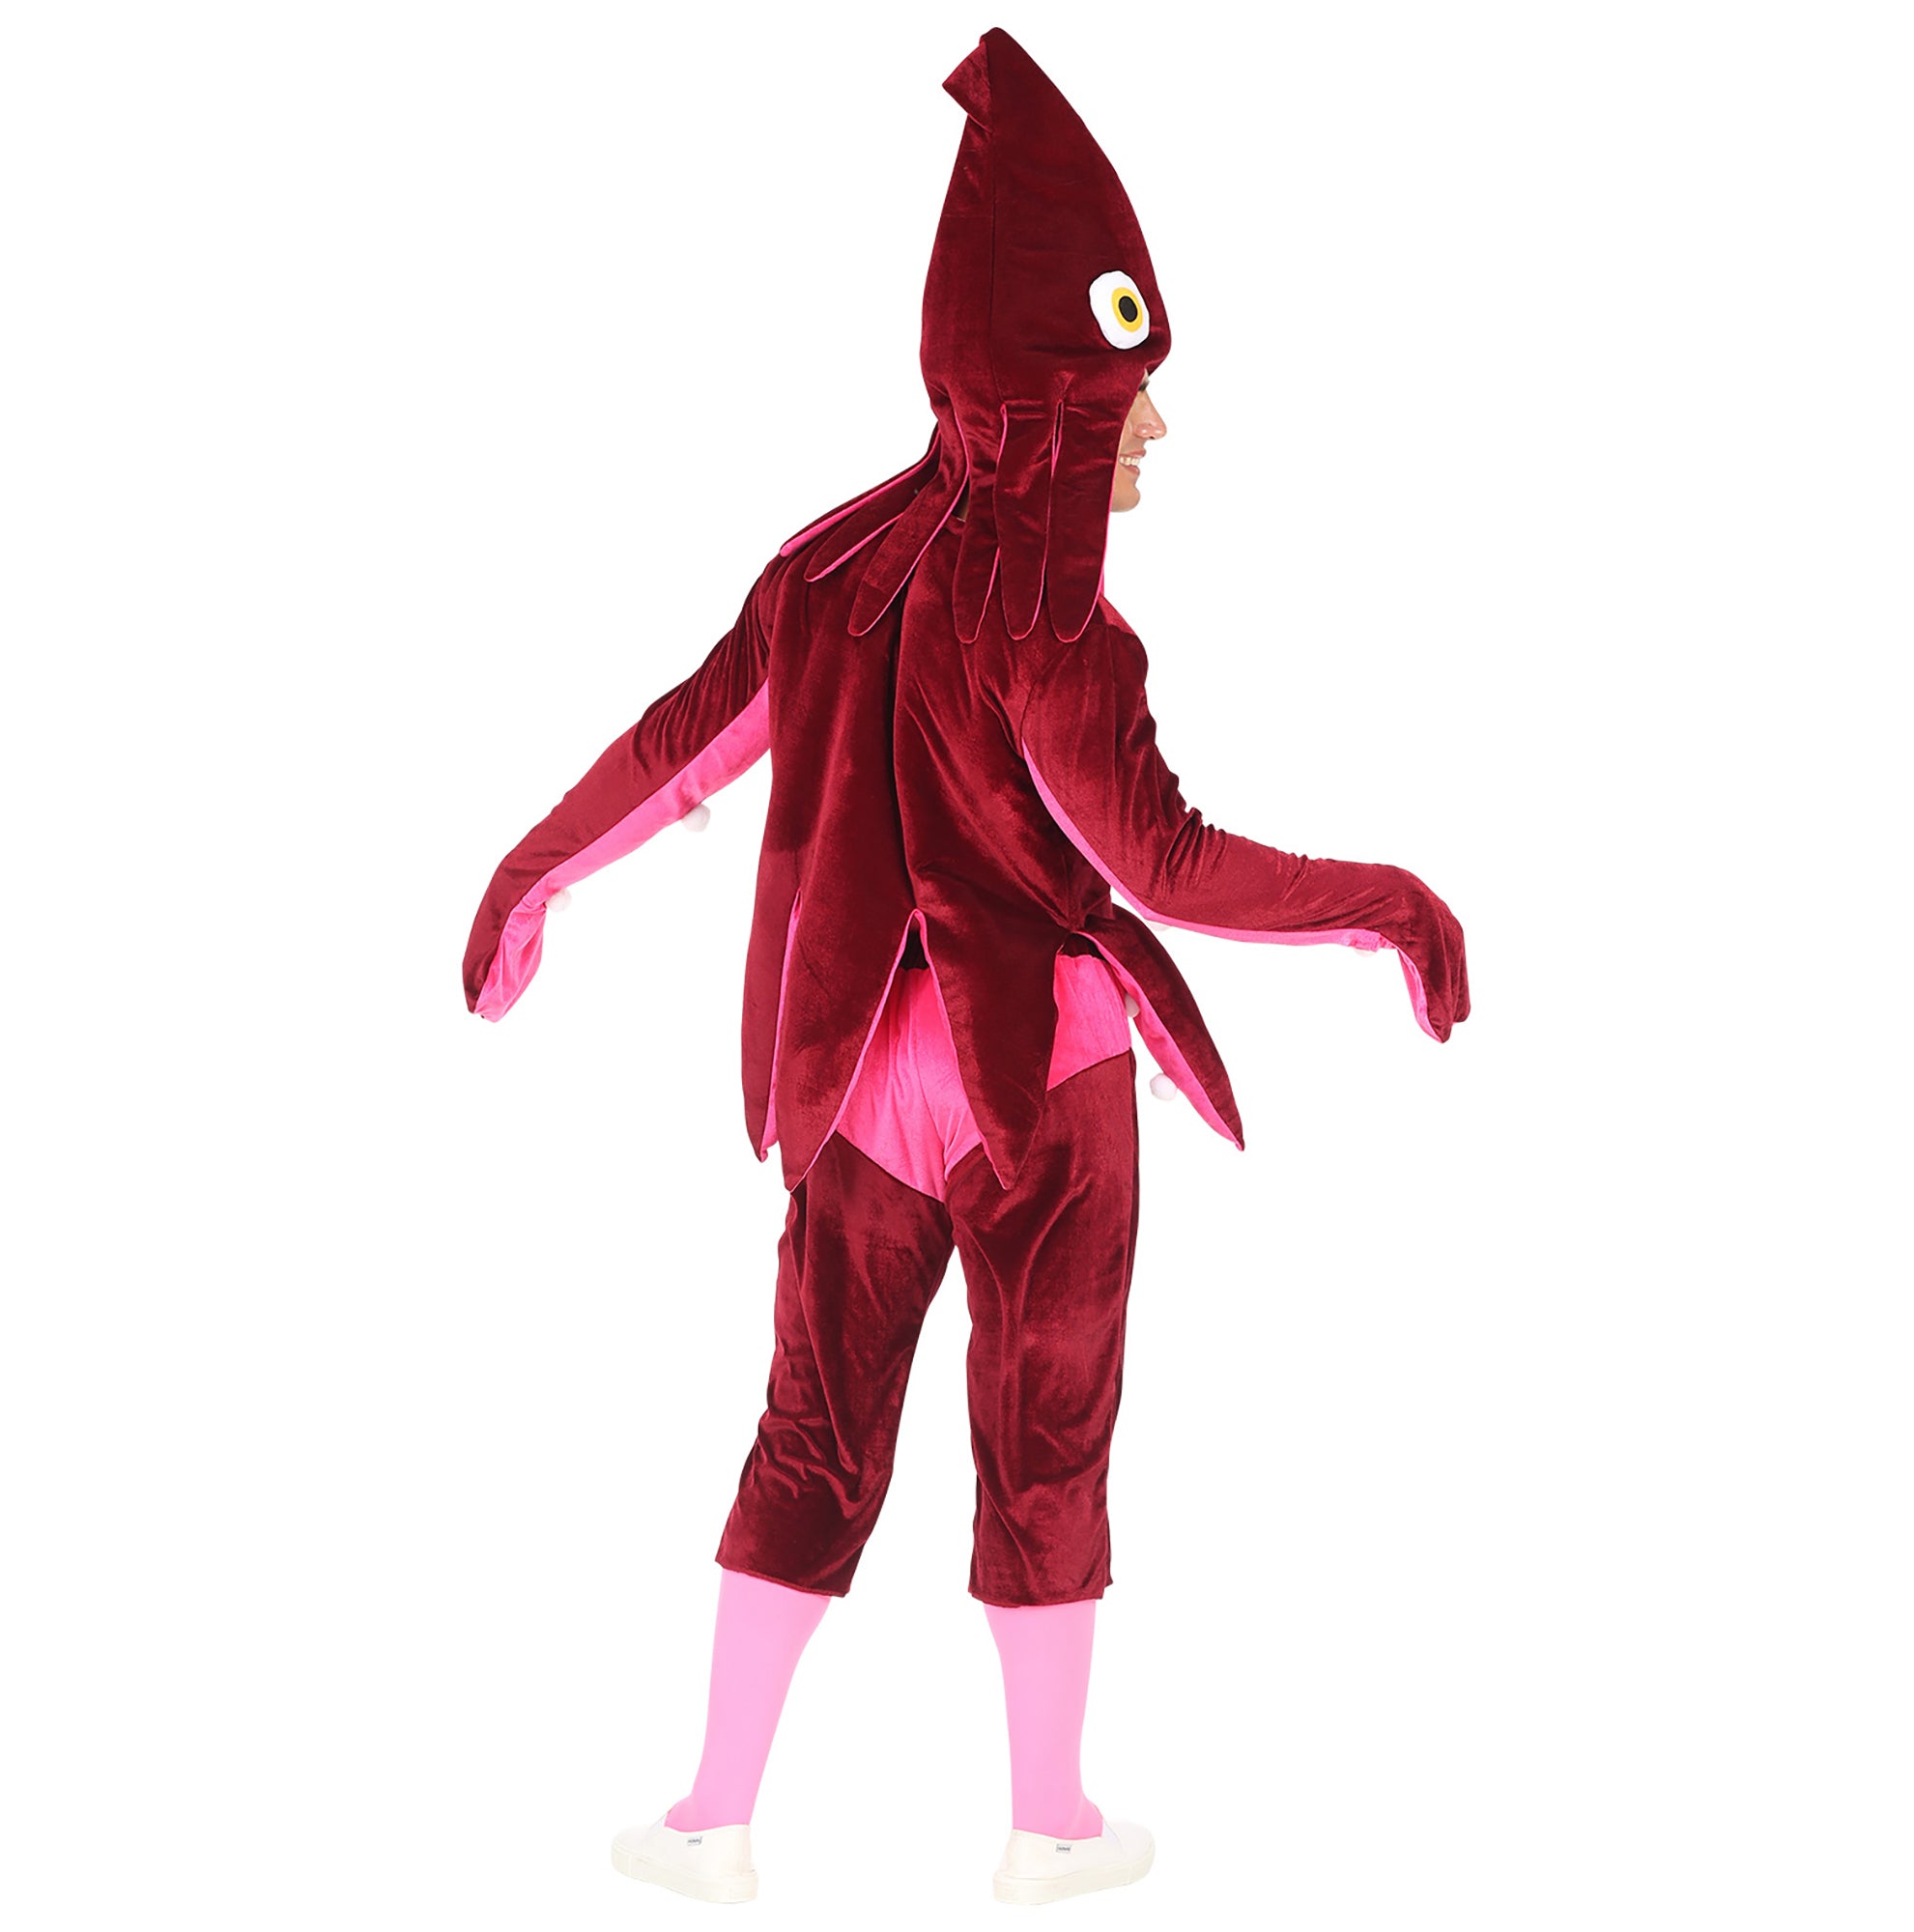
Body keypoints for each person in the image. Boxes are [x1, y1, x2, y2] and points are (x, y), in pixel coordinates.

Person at [462, 27, 1468, 1910]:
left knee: (814, 1424)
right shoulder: (1061, 629)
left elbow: (678, 743)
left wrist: (532, 878)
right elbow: (1162, 865)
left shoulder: (823, 567)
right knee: (1046, 1428)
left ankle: (711, 1818)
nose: (1153, 432)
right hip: (1043, 1086)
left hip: (860, 1083)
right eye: (1128, 391)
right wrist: (1388, 901)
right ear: (1049, 388)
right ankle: (1049, 1830)